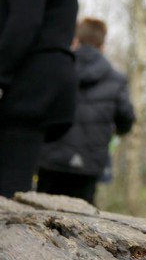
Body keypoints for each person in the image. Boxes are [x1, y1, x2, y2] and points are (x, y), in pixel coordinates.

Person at [0, 0, 79, 197]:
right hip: (42, 89)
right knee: (14, 181)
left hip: (27, 89)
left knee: (8, 187)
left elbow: (23, 25)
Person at [36, 17, 136, 205]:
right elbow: (126, 120)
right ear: (102, 46)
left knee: (41, 210)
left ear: (76, 41)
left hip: (50, 159)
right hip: (89, 163)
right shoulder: (117, 79)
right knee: (82, 216)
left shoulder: (56, 69)